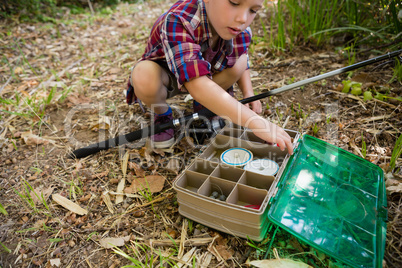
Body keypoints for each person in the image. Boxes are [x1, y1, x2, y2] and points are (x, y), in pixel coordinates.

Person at [127, 0, 293, 155]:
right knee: (143, 75)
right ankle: (162, 115)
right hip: (166, 77)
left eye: (253, 10)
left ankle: (206, 107)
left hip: (208, 75)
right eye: (234, 2)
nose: (242, 18)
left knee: (240, 61)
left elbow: (242, 55)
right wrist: (255, 122)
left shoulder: (238, 29)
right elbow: (197, 83)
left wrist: (248, 92)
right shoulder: (178, 20)